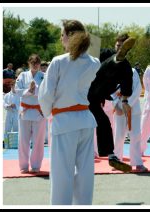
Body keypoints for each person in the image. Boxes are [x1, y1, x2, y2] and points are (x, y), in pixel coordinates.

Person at [38, 19, 101, 205]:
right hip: (85, 120)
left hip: (64, 121)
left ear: (71, 36)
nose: (60, 39)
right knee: (85, 173)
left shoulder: (59, 62)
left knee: (61, 175)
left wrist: (48, 112)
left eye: (62, 35)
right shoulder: (93, 62)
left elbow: (46, 94)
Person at [88, 33, 135, 172]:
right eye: (118, 46)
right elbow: (88, 59)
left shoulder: (126, 67)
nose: (119, 48)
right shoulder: (106, 53)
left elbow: (128, 85)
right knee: (103, 121)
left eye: (122, 48)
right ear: (115, 45)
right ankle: (111, 155)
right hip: (90, 86)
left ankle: (111, 155)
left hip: (99, 94)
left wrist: (125, 102)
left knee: (104, 122)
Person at [15, 54, 46, 174]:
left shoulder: (43, 76)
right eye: (33, 62)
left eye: (37, 62)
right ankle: (23, 166)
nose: (35, 64)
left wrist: (35, 89)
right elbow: (17, 91)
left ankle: (36, 165)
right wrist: (29, 90)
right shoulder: (22, 75)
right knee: (23, 139)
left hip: (39, 111)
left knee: (38, 140)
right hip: (25, 111)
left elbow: (47, 92)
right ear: (29, 63)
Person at [112, 68, 148, 172]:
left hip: (132, 108)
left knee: (135, 135)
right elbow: (109, 90)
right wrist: (116, 105)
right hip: (119, 107)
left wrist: (127, 104)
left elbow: (137, 90)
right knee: (118, 136)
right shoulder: (112, 71)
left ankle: (137, 163)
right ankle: (117, 161)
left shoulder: (133, 72)